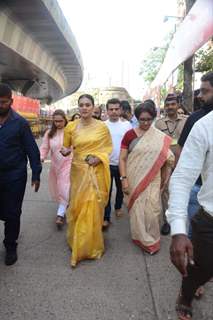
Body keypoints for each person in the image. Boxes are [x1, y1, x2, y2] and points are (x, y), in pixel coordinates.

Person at [166, 110, 213, 320]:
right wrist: (178, 230)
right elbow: (183, 177)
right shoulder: (205, 126)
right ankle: (185, 296)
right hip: (210, 219)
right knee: (201, 269)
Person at [61, 94, 112, 267]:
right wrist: (65, 151)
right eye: (81, 105)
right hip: (78, 171)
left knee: (92, 206)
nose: (84, 108)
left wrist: (99, 158)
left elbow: (107, 149)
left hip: (95, 172)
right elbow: (66, 146)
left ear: (93, 107)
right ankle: (78, 241)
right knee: (78, 205)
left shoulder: (102, 127)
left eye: (87, 105)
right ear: (78, 107)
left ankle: (90, 246)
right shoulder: (71, 126)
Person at [119, 102, 174, 254]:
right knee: (137, 209)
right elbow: (122, 158)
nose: (145, 123)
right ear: (137, 118)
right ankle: (140, 238)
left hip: (153, 178)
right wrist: (124, 179)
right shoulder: (129, 135)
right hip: (134, 177)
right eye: (142, 119)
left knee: (153, 211)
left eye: (149, 119)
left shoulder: (159, 137)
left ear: (153, 118)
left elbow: (168, 157)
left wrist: (166, 176)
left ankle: (153, 239)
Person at [0, 83, 42, 265]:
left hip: (14, 176)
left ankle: (10, 246)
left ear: (11, 101)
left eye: (3, 102)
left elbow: (32, 150)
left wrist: (36, 174)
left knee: (12, 212)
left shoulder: (20, 123)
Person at [155, 94, 187, 236]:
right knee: (165, 191)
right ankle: (167, 222)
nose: (170, 107)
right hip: (165, 163)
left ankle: (181, 221)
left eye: (173, 104)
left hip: (183, 162)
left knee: (182, 191)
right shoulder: (159, 124)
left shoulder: (187, 121)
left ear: (178, 105)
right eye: (167, 105)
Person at [40, 110, 72, 228]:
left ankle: (60, 214)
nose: (58, 123)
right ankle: (66, 207)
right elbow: (44, 147)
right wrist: (41, 157)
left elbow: (78, 146)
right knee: (60, 188)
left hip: (69, 163)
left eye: (60, 121)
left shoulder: (70, 131)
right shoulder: (49, 133)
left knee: (64, 187)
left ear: (65, 120)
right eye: (56, 121)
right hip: (56, 165)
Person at [103, 98, 132, 228]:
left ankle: (118, 207)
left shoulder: (127, 125)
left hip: (122, 164)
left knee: (121, 188)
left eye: (116, 109)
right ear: (107, 111)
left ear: (120, 110)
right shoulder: (103, 125)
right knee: (106, 191)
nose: (114, 111)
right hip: (106, 164)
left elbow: (131, 144)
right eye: (111, 109)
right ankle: (106, 216)